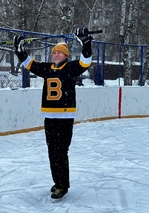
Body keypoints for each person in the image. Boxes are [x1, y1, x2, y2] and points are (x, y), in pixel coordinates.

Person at [13, 27, 93, 200]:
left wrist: (86, 43)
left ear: (66, 55)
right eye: (54, 52)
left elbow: (86, 62)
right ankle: (58, 181)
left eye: (60, 52)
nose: (56, 54)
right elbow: (29, 64)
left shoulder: (71, 68)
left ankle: (62, 184)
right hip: (49, 117)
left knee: (61, 152)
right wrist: (20, 51)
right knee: (52, 152)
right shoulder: (47, 69)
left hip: (64, 117)